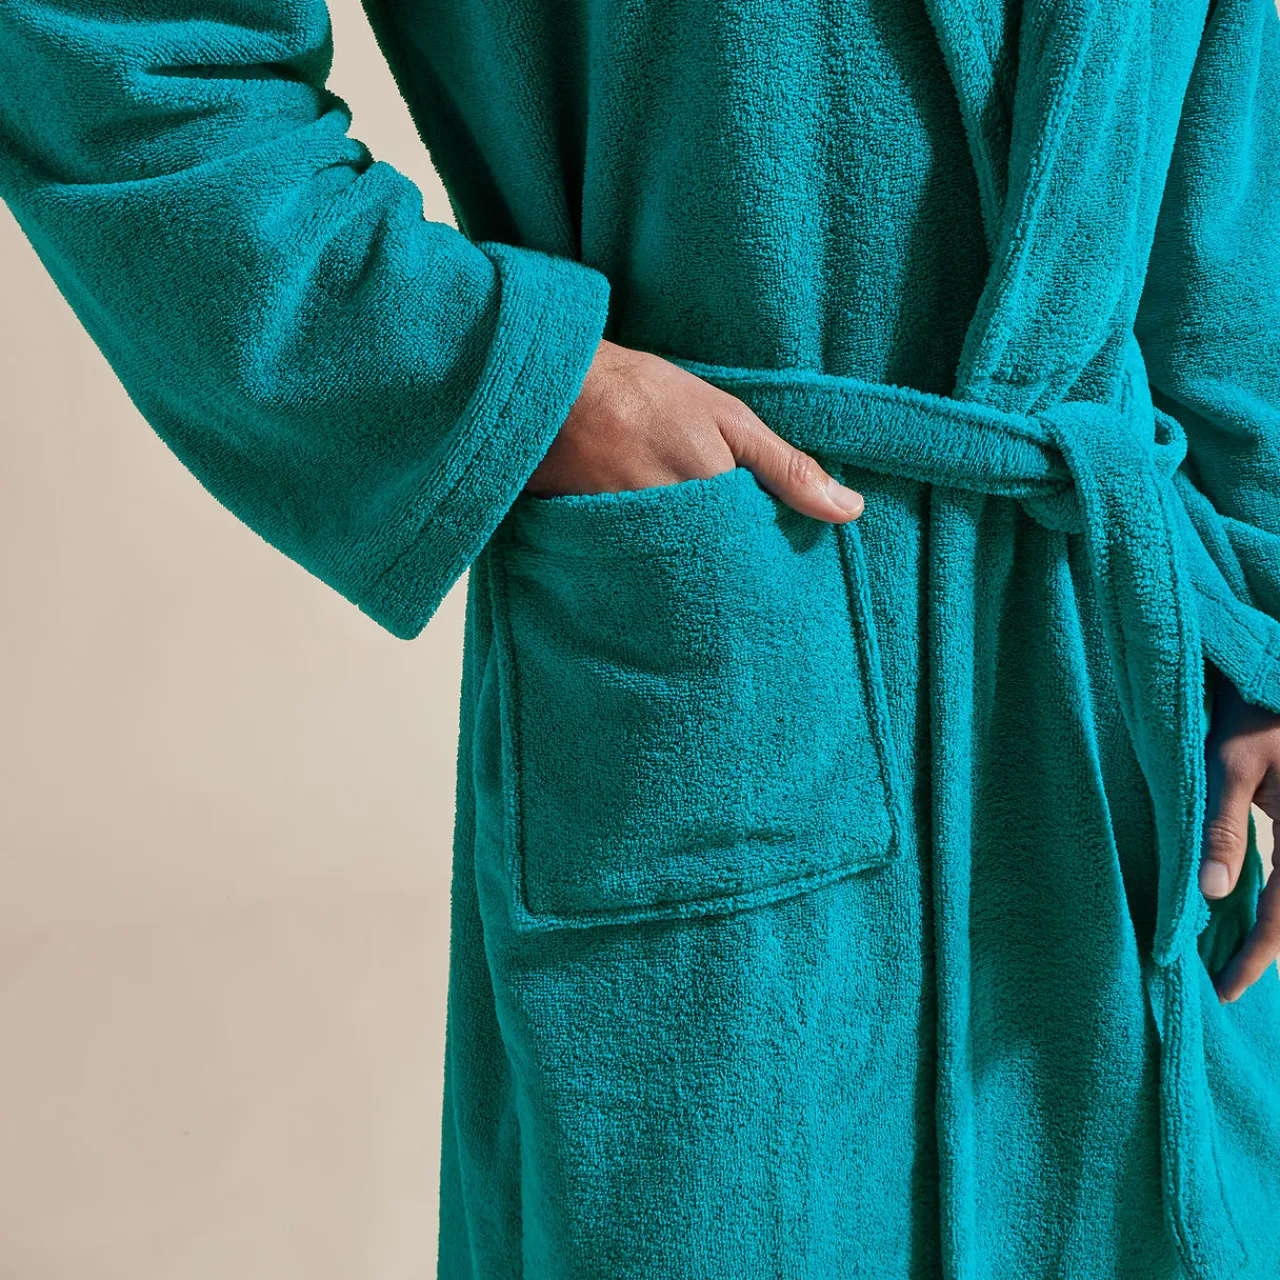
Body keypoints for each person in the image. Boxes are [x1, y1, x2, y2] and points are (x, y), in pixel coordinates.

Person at [3, 0, 1280, 1274]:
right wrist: (508, 377)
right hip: (723, 618)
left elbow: (1227, 118)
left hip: (1123, 671)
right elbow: (114, 53)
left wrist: (1265, 604)